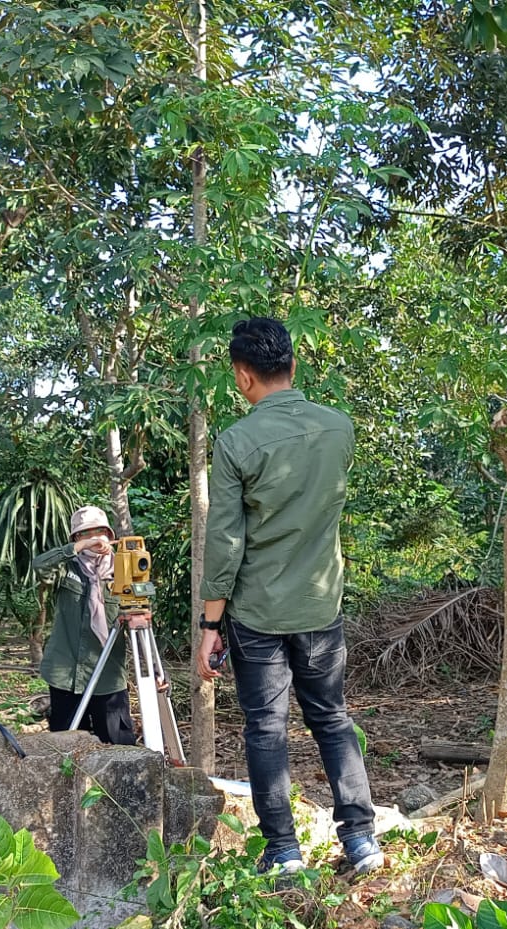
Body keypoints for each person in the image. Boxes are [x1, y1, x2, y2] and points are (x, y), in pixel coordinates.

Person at [195, 317, 382, 876]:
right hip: (320, 605)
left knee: (266, 728)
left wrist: (210, 625)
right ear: (293, 366)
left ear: (242, 376)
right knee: (332, 718)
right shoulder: (339, 428)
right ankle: (361, 838)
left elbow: (226, 541)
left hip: (258, 613)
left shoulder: (236, 443)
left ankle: (283, 850)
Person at [33, 506, 137, 745]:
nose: (94, 538)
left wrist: (154, 669)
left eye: (100, 532)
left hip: (108, 678)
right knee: (66, 749)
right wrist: (77, 549)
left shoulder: (124, 569)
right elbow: (40, 565)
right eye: (85, 534)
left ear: (110, 535)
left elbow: (142, 621)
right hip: (65, 674)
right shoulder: (65, 568)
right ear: (75, 538)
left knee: (119, 749)